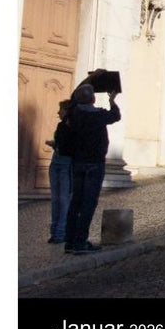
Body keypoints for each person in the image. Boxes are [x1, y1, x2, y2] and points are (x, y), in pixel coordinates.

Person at [65, 84, 121, 254]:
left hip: (78, 163)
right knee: (88, 203)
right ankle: (81, 242)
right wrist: (112, 99)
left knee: (75, 203)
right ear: (94, 99)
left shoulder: (74, 114)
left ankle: (70, 242)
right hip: (95, 164)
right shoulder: (99, 115)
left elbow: (74, 100)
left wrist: (91, 79)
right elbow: (116, 115)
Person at [45, 100, 74, 244]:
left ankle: (61, 232)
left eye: (61, 109)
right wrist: (55, 145)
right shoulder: (61, 125)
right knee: (56, 199)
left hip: (66, 166)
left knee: (63, 200)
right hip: (55, 163)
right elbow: (62, 144)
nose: (58, 112)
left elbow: (72, 147)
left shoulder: (74, 126)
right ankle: (55, 232)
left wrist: (58, 145)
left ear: (67, 110)